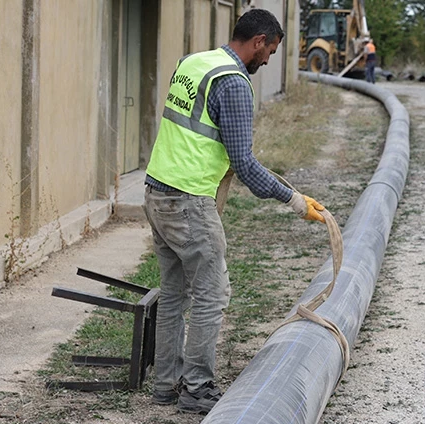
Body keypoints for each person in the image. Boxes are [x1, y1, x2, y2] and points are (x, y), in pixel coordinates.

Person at [143, 8, 326, 415]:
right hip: (188, 200)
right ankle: (196, 389)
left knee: (175, 294)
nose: (268, 61)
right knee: (212, 294)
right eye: (271, 51)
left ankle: (166, 385)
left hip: (156, 191)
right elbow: (243, 163)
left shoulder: (193, 63)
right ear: (258, 41)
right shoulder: (234, 84)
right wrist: (295, 200)